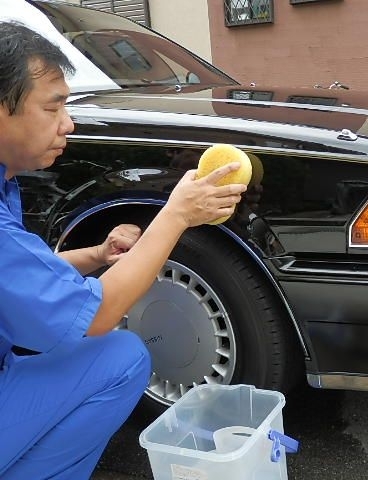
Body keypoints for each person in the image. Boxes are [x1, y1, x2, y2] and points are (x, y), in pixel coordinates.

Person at [0, 22, 247, 480]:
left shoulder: (4, 182)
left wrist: (96, 254)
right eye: (53, 107)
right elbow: (95, 318)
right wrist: (175, 215)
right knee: (121, 358)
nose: (68, 124)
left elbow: (19, 281)